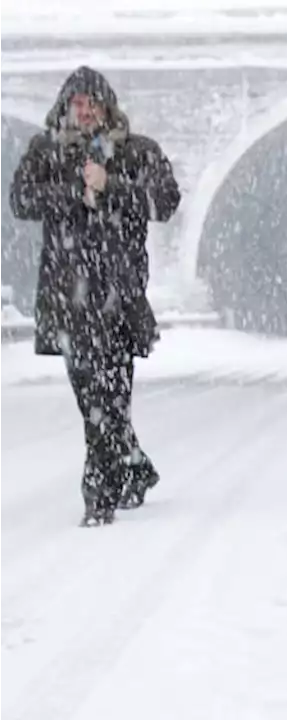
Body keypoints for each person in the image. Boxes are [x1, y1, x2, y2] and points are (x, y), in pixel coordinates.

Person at [8, 66, 182, 527]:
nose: (84, 112)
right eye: (77, 104)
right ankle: (132, 468)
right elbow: (20, 200)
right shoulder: (45, 152)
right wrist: (74, 192)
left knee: (112, 394)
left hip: (119, 295)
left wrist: (112, 188)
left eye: (92, 103)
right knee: (93, 396)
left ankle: (98, 494)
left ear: (107, 107)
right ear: (65, 108)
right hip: (69, 298)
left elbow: (165, 202)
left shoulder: (137, 150)